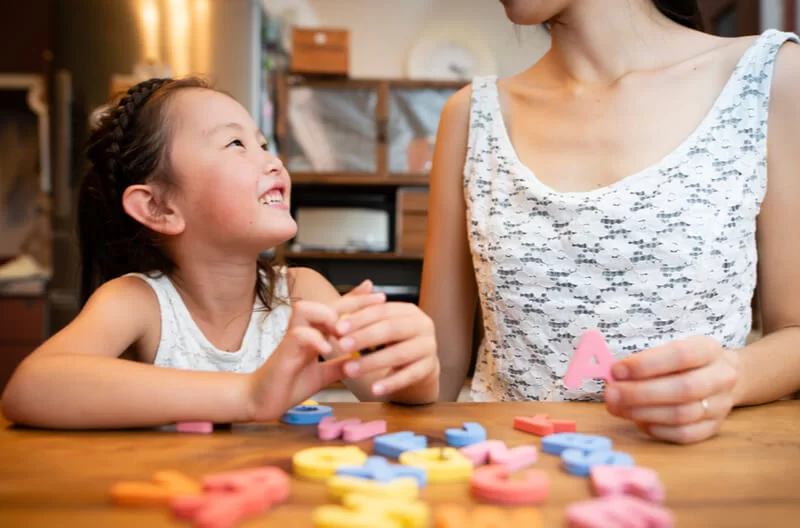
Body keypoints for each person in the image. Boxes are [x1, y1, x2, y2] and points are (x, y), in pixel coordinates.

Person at [420, 0, 800, 443]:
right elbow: (436, 374)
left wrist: (731, 377)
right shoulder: (470, 115)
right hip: (512, 482)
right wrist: (359, 350)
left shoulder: (770, 78)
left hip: (690, 484)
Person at [1, 77, 439, 429]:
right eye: (235, 144)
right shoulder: (138, 302)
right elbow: (30, 389)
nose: (273, 162)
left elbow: (391, 391)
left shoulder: (302, 292)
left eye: (264, 144)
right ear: (159, 206)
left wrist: (418, 368)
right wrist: (248, 395)